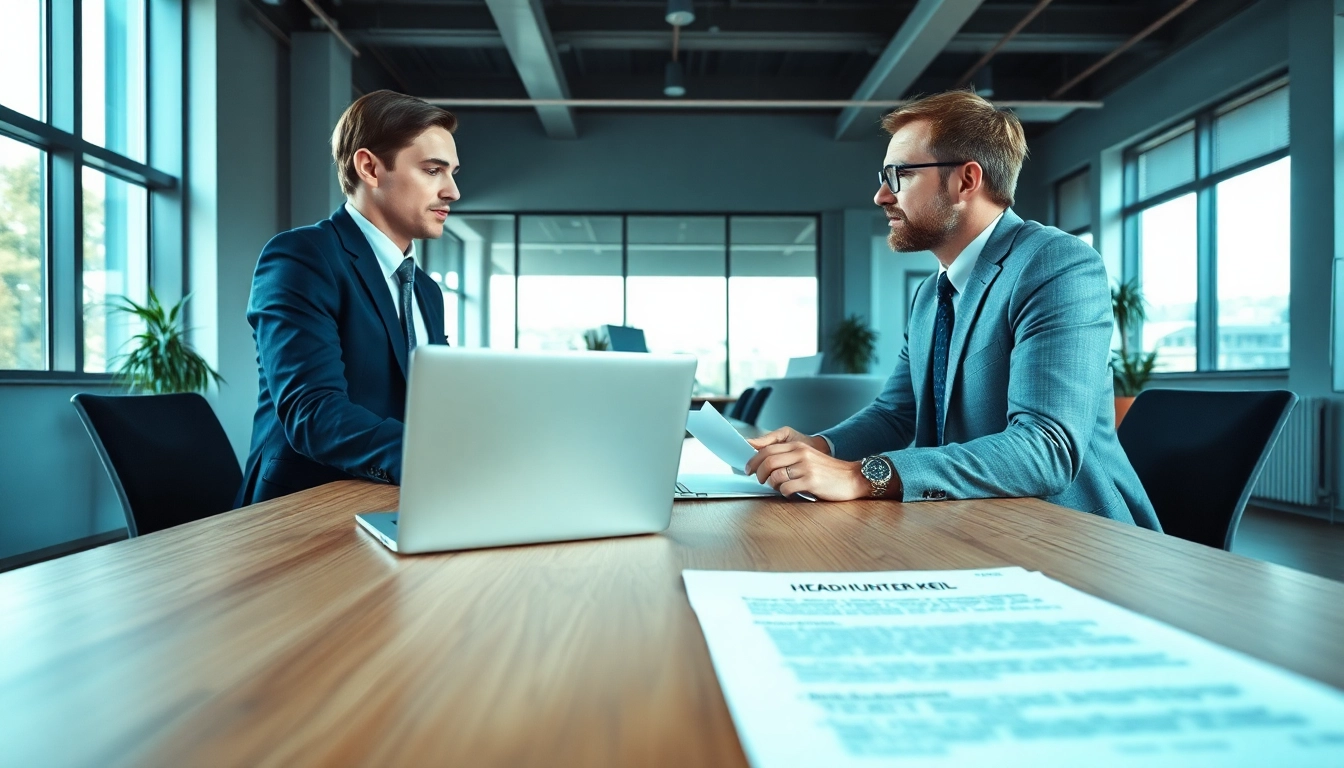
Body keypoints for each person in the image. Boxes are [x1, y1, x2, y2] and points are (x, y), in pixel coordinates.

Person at [745, 90, 1159, 530]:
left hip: (1070, 536)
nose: (882, 196)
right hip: (969, 523)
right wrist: (820, 449)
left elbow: (1047, 449)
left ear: (966, 181)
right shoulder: (930, 294)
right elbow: (896, 414)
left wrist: (859, 474)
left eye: (898, 175)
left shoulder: (1055, 264)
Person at [236, 91, 461, 506]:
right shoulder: (303, 257)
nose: (452, 192)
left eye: (452, 174)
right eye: (433, 171)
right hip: (302, 510)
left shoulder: (426, 291)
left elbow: (431, 402)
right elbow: (314, 413)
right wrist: (439, 459)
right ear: (370, 168)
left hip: (398, 499)